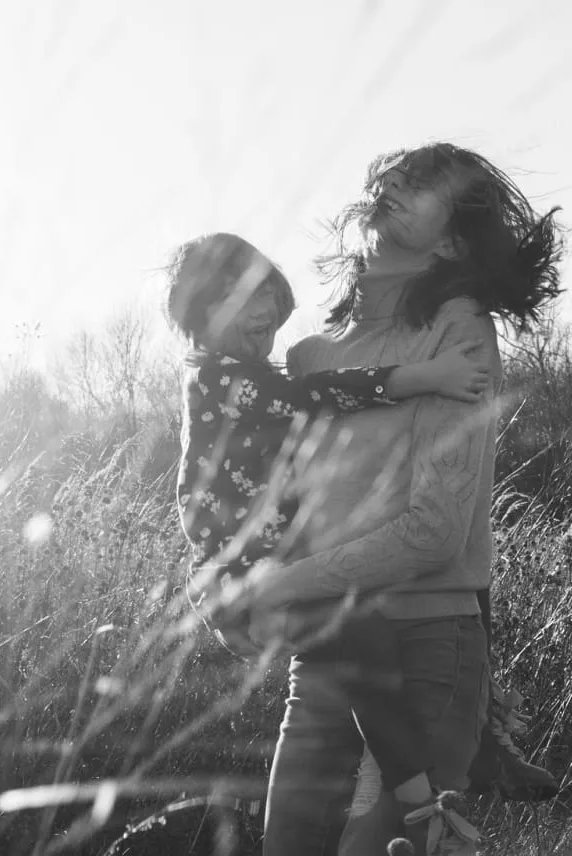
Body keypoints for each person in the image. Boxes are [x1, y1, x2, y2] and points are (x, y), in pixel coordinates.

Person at [241, 143, 561, 856]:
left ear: (451, 241)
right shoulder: (311, 357)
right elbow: (287, 505)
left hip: (427, 646)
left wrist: (283, 584)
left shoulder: (458, 332)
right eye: (397, 176)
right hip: (327, 648)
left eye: (421, 186)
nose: (393, 186)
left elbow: (435, 531)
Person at [164, 231, 490, 845]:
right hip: (242, 577)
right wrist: (426, 376)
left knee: (360, 646)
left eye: (266, 294)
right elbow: (316, 394)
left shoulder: (250, 372)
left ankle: (419, 792)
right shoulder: (218, 379)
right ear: (201, 319)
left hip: (266, 574)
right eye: (238, 301)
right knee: (362, 638)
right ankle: (419, 802)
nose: (261, 312)